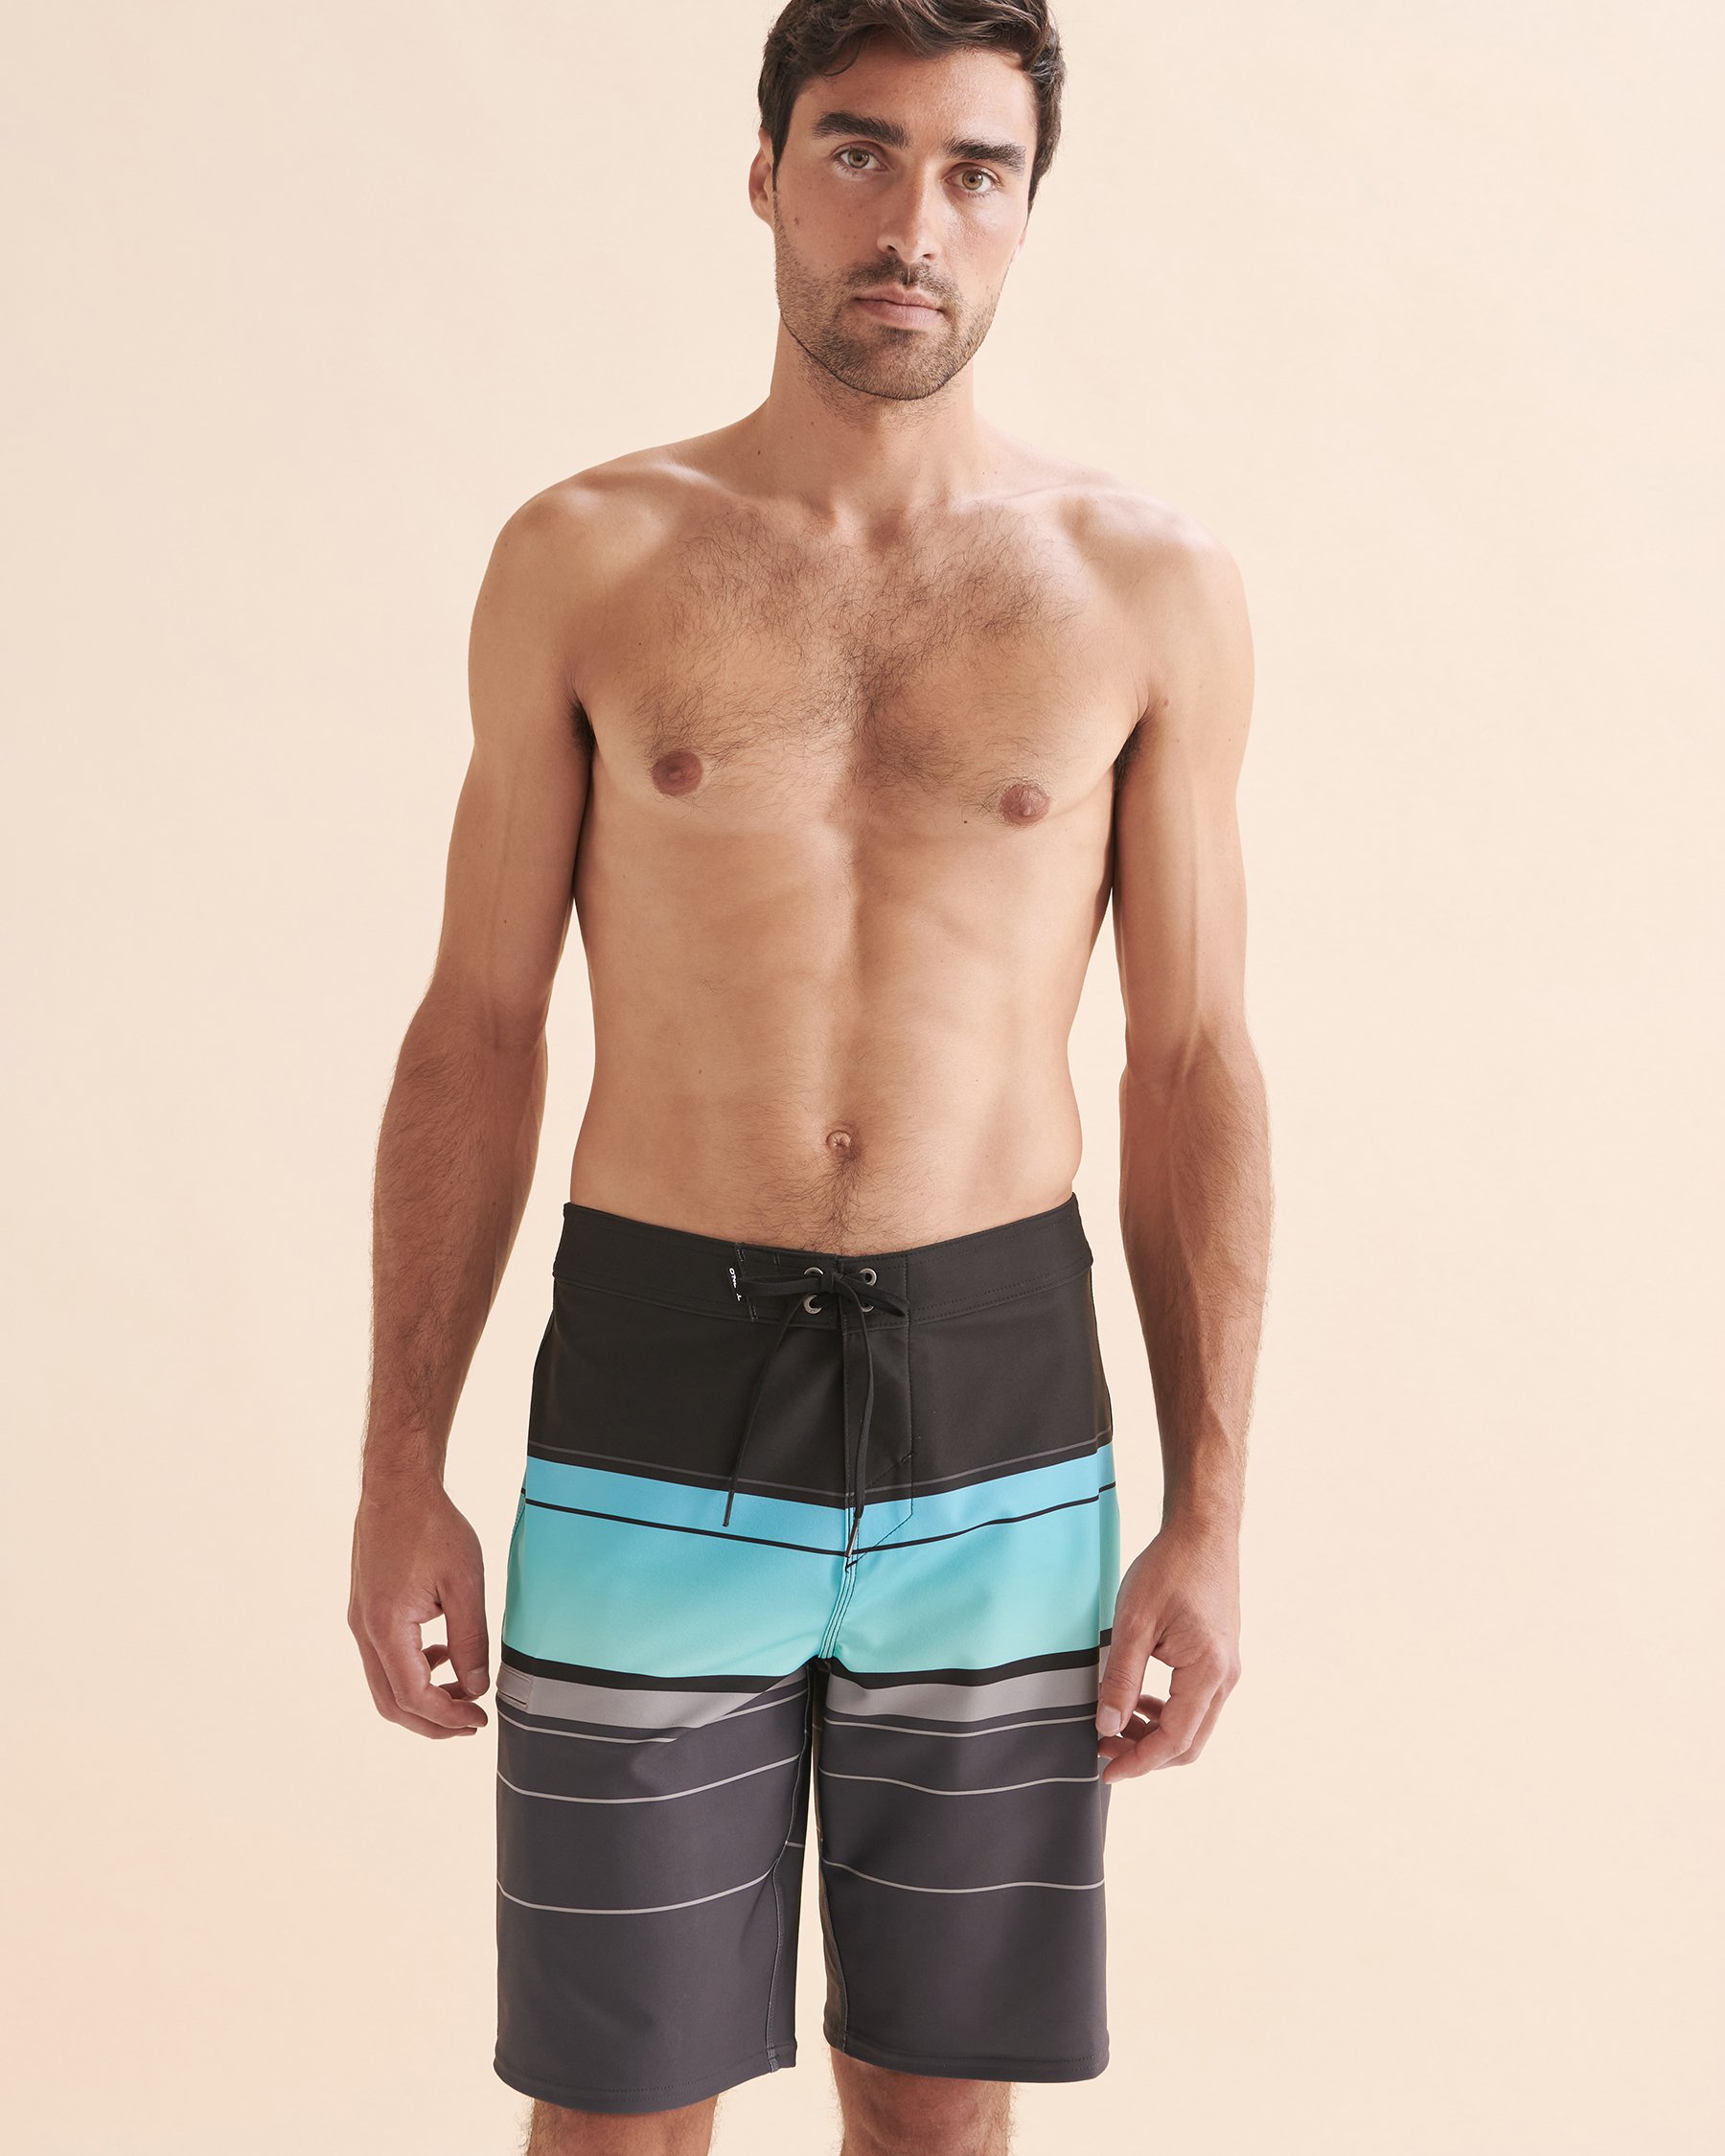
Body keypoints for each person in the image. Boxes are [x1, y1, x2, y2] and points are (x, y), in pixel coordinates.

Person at [347, 2, 1270, 2148]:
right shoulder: (590, 554)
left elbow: (1192, 1061)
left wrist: (1211, 1514)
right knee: (618, 2104)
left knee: (939, 2111)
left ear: (1027, 208)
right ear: (765, 173)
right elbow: (477, 1028)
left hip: (1002, 1414)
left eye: (974, 169)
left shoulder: (1147, 588)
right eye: (860, 153)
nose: (912, 221)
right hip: (655, 1393)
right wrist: (401, 1462)